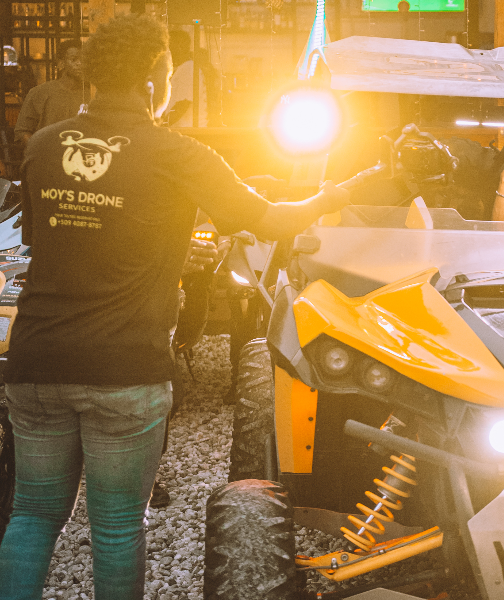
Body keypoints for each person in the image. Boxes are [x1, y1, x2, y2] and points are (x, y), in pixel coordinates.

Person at [0, 14, 349, 599]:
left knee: (33, 514)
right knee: (116, 526)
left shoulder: (43, 145)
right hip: (124, 367)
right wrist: (334, 194)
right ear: (155, 81)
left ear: (93, 76)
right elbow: (269, 219)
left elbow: (40, 239)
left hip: (37, 358)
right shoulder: (180, 153)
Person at [14, 39, 89, 144]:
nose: (79, 63)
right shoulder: (39, 93)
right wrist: (39, 150)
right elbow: (22, 131)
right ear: (61, 63)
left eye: (83, 59)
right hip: (48, 151)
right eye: (74, 59)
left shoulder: (92, 94)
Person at [164, 30, 207, 127]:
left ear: (180, 46)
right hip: (183, 130)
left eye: (169, 46)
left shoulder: (188, 69)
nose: (166, 51)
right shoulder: (184, 68)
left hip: (187, 130)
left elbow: (181, 106)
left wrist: (161, 126)